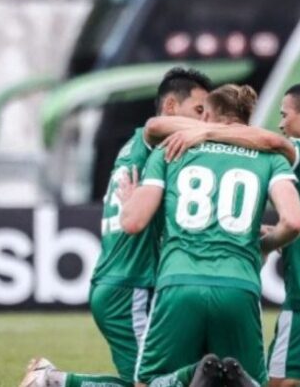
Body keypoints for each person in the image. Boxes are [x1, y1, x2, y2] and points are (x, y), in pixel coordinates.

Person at [154, 81, 300, 386]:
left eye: (285, 115)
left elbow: (268, 141)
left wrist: (206, 132)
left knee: (278, 384)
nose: (281, 123)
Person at [19, 67, 213, 387]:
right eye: (198, 111)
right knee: (153, 384)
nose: (205, 121)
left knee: (168, 378)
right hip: (129, 286)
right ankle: (50, 382)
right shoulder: (153, 139)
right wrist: (216, 132)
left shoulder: (140, 150)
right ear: (170, 108)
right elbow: (155, 126)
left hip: (127, 282)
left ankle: (53, 381)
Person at [119, 84, 300, 387]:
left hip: (179, 282)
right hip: (239, 286)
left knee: (149, 382)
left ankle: (190, 377)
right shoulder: (270, 158)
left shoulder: (173, 148)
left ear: (205, 114)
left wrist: (129, 203)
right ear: (247, 118)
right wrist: (262, 246)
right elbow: (295, 222)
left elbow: (133, 223)